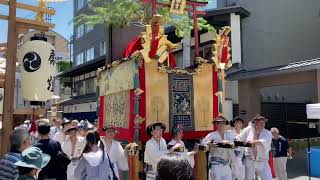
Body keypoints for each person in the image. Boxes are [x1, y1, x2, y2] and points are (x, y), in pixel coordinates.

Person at [236, 114, 272, 180]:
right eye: (260, 122)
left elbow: (264, 141)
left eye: (263, 122)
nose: (262, 124)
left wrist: (253, 142)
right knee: (248, 178)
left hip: (262, 160)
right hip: (250, 159)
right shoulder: (249, 129)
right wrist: (235, 141)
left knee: (268, 177)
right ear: (255, 123)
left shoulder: (267, 133)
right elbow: (239, 138)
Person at [202, 116, 235, 180]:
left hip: (226, 164)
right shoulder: (212, 134)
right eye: (219, 123)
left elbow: (233, 145)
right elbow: (203, 143)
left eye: (223, 123)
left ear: (225, 124)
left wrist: (227, 141)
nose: (222, 125)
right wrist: (210, 144)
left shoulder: (229, 134)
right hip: (216, 164)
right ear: (216, 125)